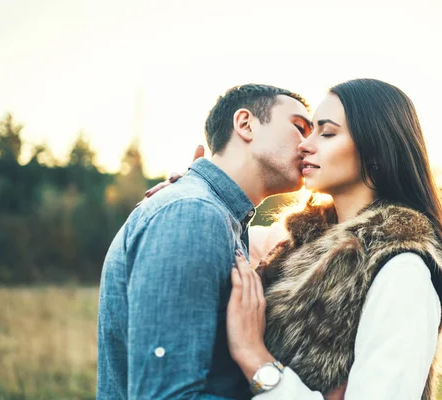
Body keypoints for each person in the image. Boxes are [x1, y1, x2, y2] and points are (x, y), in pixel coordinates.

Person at [148, 78, 442, 399]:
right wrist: (194, 186)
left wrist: (256, 359)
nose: (305, 145)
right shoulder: (298, 242)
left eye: (326, 133)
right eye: (307, 131)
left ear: (375, 149)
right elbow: (225, 229)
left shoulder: (402, 269)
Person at [96, 84, 313, 399]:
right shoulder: (193, 213)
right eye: (299, 127)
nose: (308, 145)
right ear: (245, 124)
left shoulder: (218, 217)